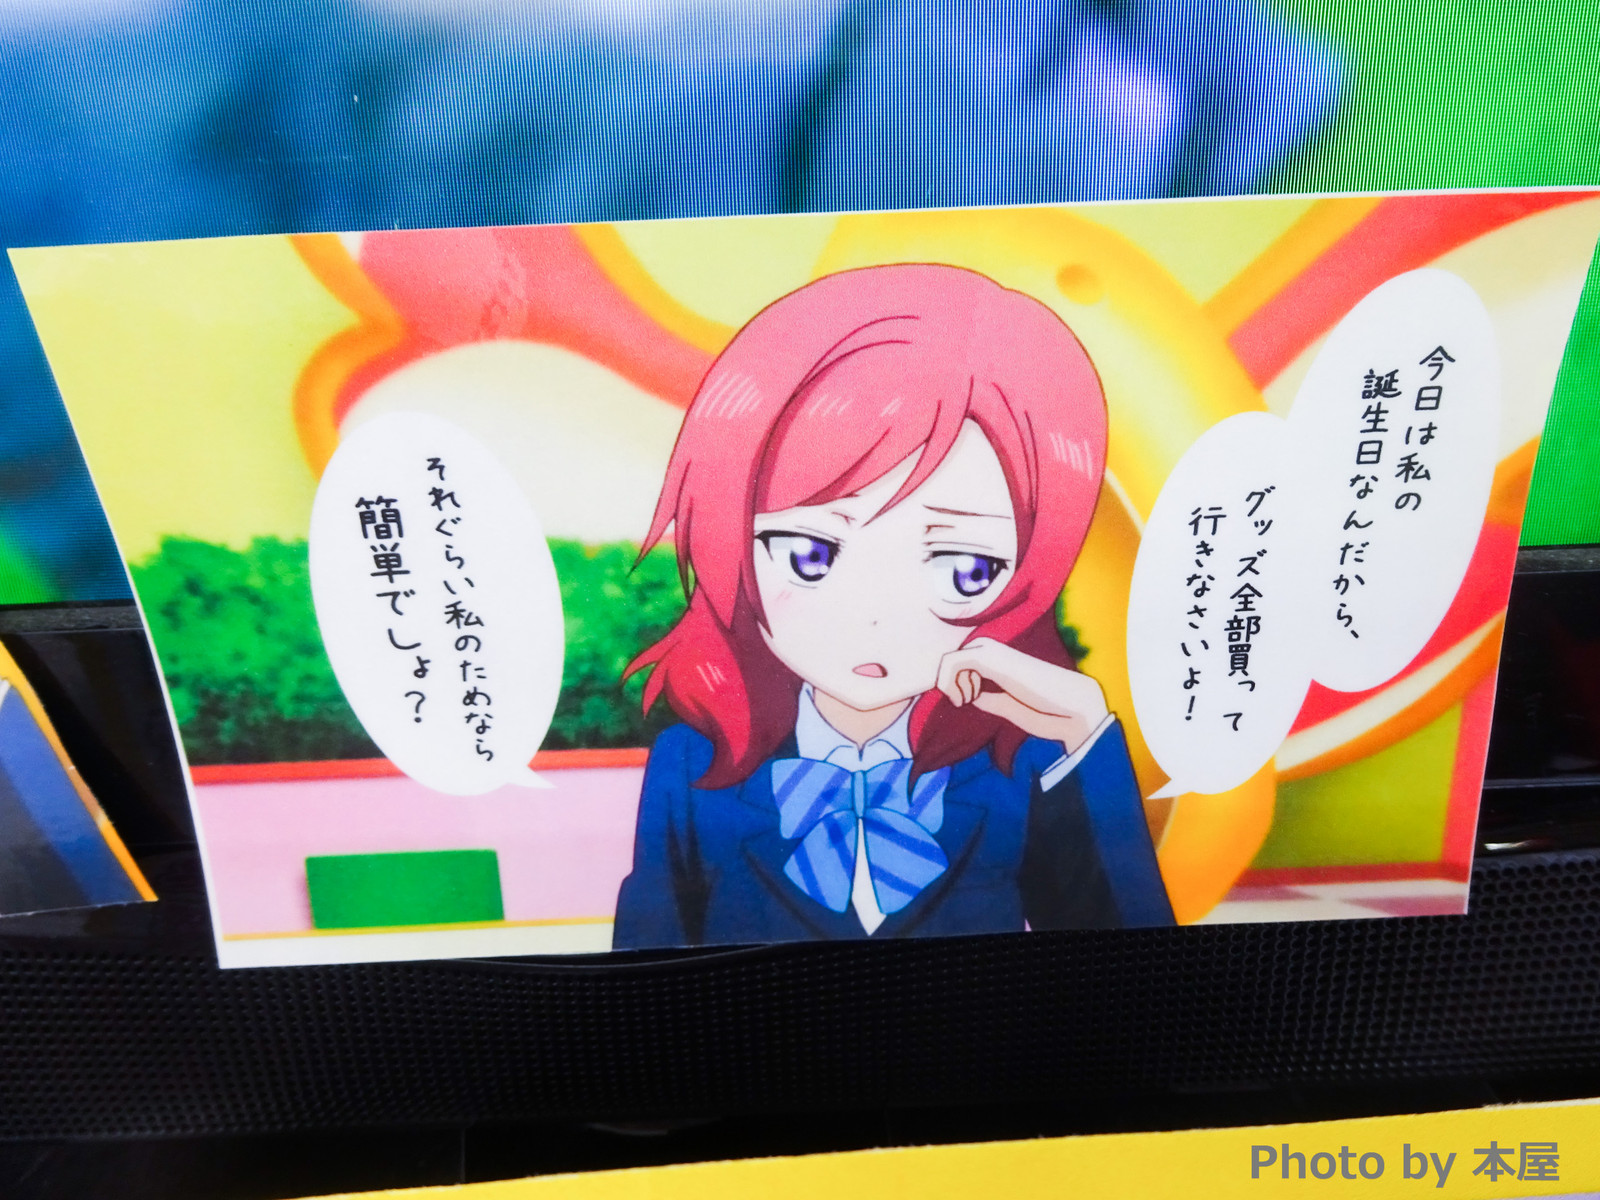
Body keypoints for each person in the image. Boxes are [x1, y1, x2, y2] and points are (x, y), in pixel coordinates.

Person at [612, 263, 1172, 948]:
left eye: (964, 568)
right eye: (810, 554)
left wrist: (1085, 737)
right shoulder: (691, 764)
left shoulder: (1026, 764)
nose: (874, 615)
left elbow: (1133, 963)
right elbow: (647, 962)